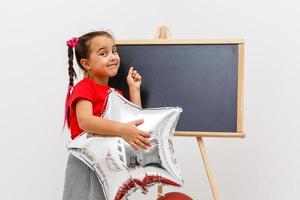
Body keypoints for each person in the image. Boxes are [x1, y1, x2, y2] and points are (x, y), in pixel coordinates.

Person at [62, 30, 151, 200]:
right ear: (86, 64)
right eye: (103, 53)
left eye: (114, 51)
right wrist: (122, 130)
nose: (112, 57)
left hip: (109, 160)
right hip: (87, 160)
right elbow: (85, 121)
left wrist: (134, 89)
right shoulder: (84, 87)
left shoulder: (115, 92)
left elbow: (132, 122)